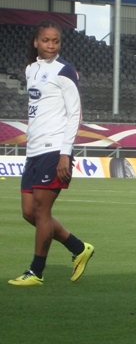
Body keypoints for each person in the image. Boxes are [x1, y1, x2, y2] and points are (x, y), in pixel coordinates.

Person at [9, 20, 94, 286]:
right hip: (34, 151)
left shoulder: (65, 71)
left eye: (55, 41)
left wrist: (65, 154)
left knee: (42, 211)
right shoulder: (31, 69)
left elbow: (74, 115)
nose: (50, 45)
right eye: (46, 40)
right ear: (36, 42)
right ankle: (78, 248)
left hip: (54, 149)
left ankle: (36, 272)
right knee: (28, 212)